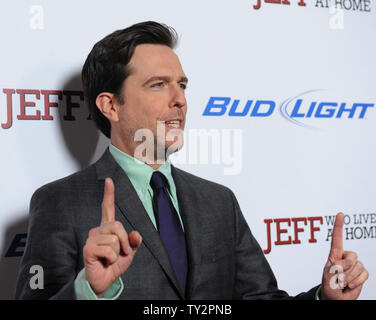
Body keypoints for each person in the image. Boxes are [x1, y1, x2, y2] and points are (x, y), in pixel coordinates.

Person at [15, 21, 368, 300]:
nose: (180, 100)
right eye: (158, 85)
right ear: (110, 105)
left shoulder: (218, 201)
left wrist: (325, 297)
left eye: (182, 84)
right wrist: (89, 291)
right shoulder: (60, 202)